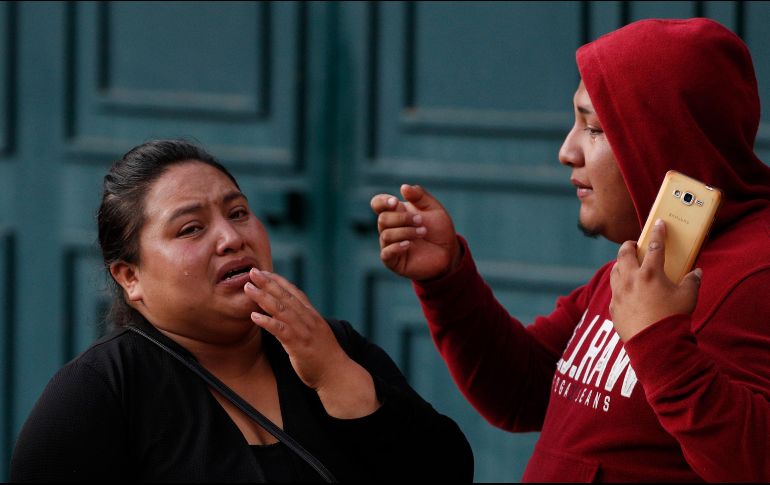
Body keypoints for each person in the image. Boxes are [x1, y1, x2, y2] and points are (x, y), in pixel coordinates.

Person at [370, 18, 770, 482]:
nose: (566, 150)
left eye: (594, 128)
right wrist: (447, 278)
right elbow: (521, 392)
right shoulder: (642, 263)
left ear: (663, 139)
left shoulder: (756, 277)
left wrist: (661, 343)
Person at [9, 139, 474, 482]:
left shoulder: (332, 346)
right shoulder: (98, 394)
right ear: (130, 277)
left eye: (237, 213)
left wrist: (336, 377)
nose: (232, 238)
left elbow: (447, 471)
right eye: (191, 228)